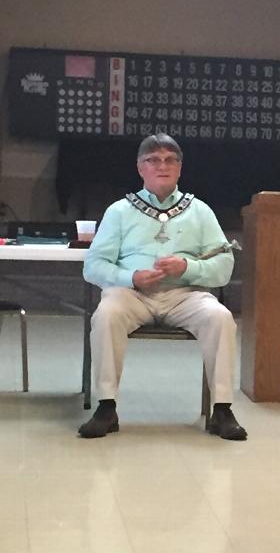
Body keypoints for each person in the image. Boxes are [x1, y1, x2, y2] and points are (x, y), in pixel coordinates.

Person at [79, 133, 245, 440]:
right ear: (140, 168)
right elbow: (93, 266)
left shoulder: (200, 211)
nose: (162, 166)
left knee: (220, 317)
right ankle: (106, 405)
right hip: (131, 294)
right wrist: (131, 277)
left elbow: (224, 267)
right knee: (107, 315)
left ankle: (222, 409)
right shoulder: (119, 211)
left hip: (185, 294)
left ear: (180, 168)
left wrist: (188, 268)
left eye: (170, 160)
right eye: (153, 160)